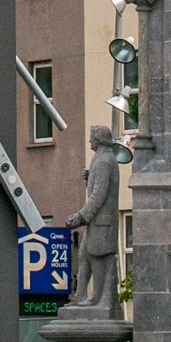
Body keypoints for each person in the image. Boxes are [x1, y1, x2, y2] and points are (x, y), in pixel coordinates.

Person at [66, 125, 121, 309]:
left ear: (98, 140)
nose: (89, 140)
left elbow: (99, 193)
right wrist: (89, 177)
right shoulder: (101, 159)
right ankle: (80, 295)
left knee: (96, 256)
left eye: (91, 137)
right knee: (83, 255)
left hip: (101, 222)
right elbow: (98, 184)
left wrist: (81, 216)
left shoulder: (104, 161)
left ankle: (97, 298)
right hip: (97, 222)